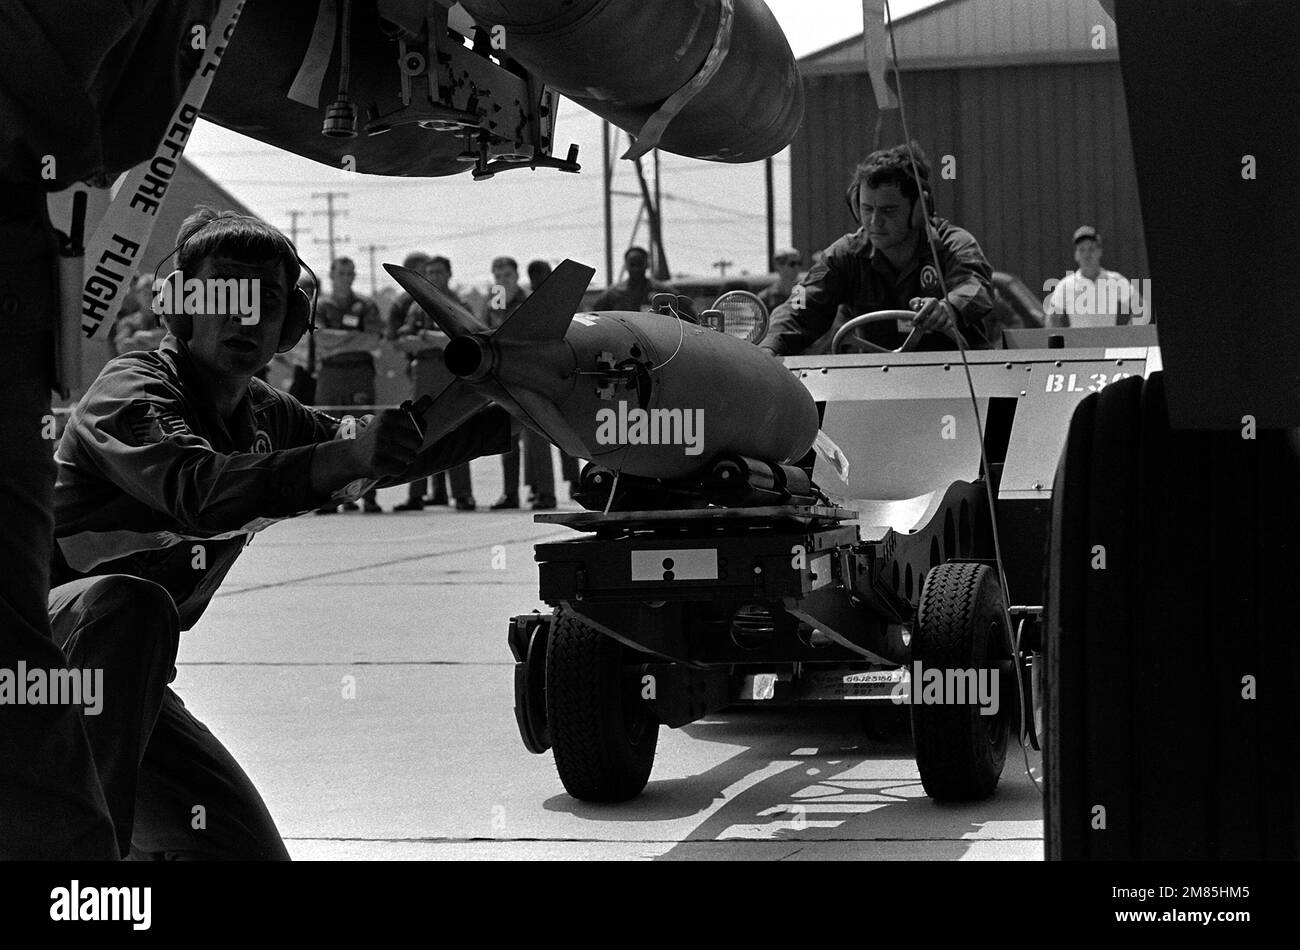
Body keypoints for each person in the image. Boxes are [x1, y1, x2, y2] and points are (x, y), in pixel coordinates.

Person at [48, 208, 514, 858]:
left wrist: (532, 408)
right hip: (38, 661)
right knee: (129, 605)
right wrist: (347, 459)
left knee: (241, 852)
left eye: (264, 302)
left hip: (119, 691)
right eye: (223, 296)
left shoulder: (266, 413)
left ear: (290, 323)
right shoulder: (132, 390)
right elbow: (200, 491)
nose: (245, 318)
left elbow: (387, 449)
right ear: (181, 309)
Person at [759, 143, 994, 356]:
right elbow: (801, 303)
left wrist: (948, 308)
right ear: (855, 206)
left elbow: (975, 286)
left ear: (918, 211)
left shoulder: (952, 245)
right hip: (876, 385)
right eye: (867, 209)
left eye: (888, 211)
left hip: (962, 382)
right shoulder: (844, 255)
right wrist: (769, 348)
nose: (874, 222)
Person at [392, 254, 476, 511]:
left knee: (458, 428)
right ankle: (416, 493)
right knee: (419, 429)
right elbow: (404, 339)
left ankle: (462, 494)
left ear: (449, 274)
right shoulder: (418, 308)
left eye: (440, 272)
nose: (435, 277)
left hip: (454, 370)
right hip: (425, 371)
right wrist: (433, 340)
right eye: (430, 273)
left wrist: (428, 337)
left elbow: (469, 339)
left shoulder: (459, 304)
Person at [313, 256, 384, 513]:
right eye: (341, 273)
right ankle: (329, 496)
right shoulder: (320, 306)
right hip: (331, 374)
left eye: (350, 273)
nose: (346, 277)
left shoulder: (365, 305)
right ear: (331, 275)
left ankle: (368, 495)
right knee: (330, 431)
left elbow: (373, 341)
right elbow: (321, 341)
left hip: (359, 373)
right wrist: (355, 337)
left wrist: (339, 341)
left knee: (363, 430)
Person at [486, 256, 556, 510]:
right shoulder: (496, 299)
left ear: (516, 276)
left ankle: (546, 493)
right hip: (503, 375)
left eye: (507, 276)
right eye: (498, 276)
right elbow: (488, 328)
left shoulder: (530, 300)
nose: (502, 281)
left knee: (537, 436)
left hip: (529, 374)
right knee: (505, 438)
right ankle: (509, 494)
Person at [1044, 226, 1134, 327]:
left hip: (1109, 343)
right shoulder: (1065, 285)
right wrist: (1066, 342)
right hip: (1078, 343)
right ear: (1076, 255)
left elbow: (1139, 309)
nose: (1086, 255)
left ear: (1100, 251)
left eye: (1091, 249)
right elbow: (1052, 320)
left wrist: (1126, 338)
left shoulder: (1115, 280)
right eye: (1081, 250)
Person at [591, 246, 677, 311]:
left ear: (647, 265)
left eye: (639, 264)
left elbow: (685, 310)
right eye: (632, 265)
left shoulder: (661, 291)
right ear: (626, 266)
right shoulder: (614, 293)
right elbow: (594, 315)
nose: (636, 269)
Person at [112, 275, 167, 356]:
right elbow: (123, 348)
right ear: (138, 295)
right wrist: (156, 343)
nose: (150, 298)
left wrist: (139, 336)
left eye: (155, 294)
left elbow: (173, 340)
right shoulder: (127, 322)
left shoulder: (170, 319)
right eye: (146, 293)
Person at [758, 247, 803, 312]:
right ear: (778, 266)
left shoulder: (805, 294)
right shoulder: (766, 298)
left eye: (799, 263)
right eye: (792, 264)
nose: (797, 267)